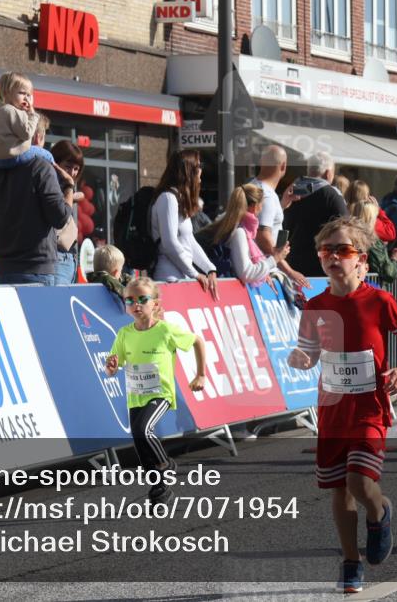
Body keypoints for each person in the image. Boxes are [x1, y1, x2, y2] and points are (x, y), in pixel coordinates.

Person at [288, 217, 397, 593]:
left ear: (361, 260)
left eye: (341, 250)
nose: (332, 257)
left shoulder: (379, 300)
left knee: (361, 483)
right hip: (332, 409)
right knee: (339, 489)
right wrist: (299, 358)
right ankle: (350, 562)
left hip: (369, 409)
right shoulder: (315, 305)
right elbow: (309, 353)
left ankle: (379, 512)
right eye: (325, 250)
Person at [105, 277, 207, 503]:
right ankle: (160, 491)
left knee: (143, 430)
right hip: (135, 396)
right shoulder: (124, 333)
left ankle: (166, 464)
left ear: (156, 304)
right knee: (140, 443)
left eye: (142, 299)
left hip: (159, 393)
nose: (136, 304)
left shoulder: (165, 330)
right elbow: (115, 364)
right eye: (130, 300)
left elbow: (198, 342)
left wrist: (200, 374)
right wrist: (111, 367)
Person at [0, 136, 73, 286]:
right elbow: (60, 218)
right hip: (36, 272)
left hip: (0, 270)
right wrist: (68, 187)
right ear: (38, 137)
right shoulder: (41, 167)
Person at [150, 149, 218, 299]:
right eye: (198, 166)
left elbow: (190, 242)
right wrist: (195, 273)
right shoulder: (168, 199)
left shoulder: (178, 199)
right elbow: (169, 243)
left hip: (182, 277)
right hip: (169, 278)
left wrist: (210, 269)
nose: (201, 170)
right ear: (189, 171)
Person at [201, 183, 287, 287]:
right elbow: (246, 273)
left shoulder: (239, 228)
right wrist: (275, 259)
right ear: (255, 207)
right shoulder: (239, 232)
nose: (261, 210)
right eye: (262, 206)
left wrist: (264, 273)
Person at [249, 145, 309, 288]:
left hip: (259, 270)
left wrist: (282, 204)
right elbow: (262, 236)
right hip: (265, 273)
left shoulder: (253, 186)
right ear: (283, 166)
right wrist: (289, 271)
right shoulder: (267, 195)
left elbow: (259, 221)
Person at [283, 152, 349, 278]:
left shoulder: (291, 191)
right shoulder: (331, 194)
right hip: (321, 265)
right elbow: (346, 227)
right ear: (328, 173)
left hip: (293, 263)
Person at [0, 71, 54, 168]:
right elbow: (27, 133)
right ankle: (59, 178)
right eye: (22, 93)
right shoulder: (13, 111)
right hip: (12, 157)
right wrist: (32, 114)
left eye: (29, 95)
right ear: (7, 92)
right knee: (47, 155)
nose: (26, 99)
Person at [51, 140, 86, 285]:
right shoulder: (50, 184)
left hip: (70, 258)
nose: (72, 172)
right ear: (55, 164)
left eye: (76, 168)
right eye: (68, 166)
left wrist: (71, 191)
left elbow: (81, 195)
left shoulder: (67, 186)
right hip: (57, 256)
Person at [351, 201, 397, 286]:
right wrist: (394, 259)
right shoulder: (371, 241)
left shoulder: (348, 235)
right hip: (370, 291)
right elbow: (388, 274)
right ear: (371, 217)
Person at [345, 180, 396, 244]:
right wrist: (378, 210)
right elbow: (391, 233)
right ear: (365, 196)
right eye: (368, 194)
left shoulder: (342, 211)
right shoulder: (368, 217)